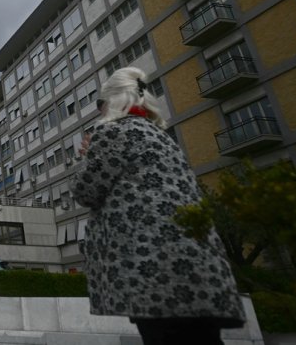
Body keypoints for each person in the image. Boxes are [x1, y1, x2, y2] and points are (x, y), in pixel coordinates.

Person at [73, 67, 244, 345]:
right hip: (197, 264)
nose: (99, 111)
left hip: (153, 269)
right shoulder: (161, 135)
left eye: (100, 103)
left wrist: (86, 156)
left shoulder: (112, 132)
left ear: (112, 101)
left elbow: (86, 191)